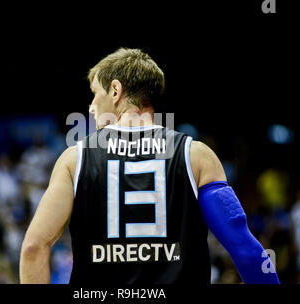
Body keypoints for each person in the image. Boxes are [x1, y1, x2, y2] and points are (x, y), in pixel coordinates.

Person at [19, 48, 280, 284]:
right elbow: (245, 250)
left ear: (115, 90)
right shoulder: (196, 156)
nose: (91, 107)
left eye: (95, 94)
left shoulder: (74, 159)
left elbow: (33, 247)